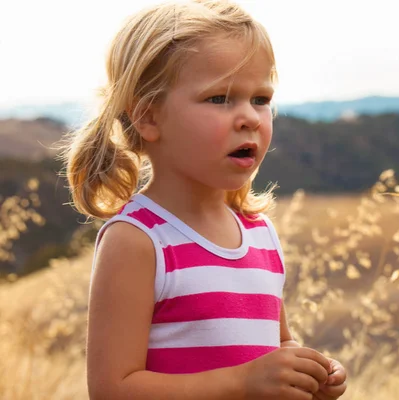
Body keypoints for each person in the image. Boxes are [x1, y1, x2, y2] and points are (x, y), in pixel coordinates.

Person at [61, 1, 347, 399]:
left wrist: (308, 373)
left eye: (261, 99)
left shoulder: (260, 233)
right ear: (148, 117)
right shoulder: (138, 241)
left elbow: (275, 346)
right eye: (220, 98)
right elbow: (112, 389)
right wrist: (242, 383)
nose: (249, 117)